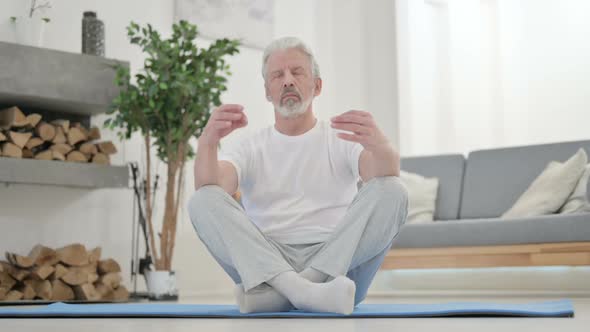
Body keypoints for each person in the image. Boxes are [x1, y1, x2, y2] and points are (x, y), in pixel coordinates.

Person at [188, 36, 408, 315]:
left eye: (297, 72)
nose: (287, 81)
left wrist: (382, 146)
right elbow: (211, 186)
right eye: (277, 75)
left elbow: (383, 176)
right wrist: (207, 142)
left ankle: (289, 292)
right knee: (201, 200)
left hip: (338, 265)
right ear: (268, 91)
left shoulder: (338, 137)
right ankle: (303, 291)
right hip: (265, 262)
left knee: (394, 190)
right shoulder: (251, 145)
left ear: (317, 86)